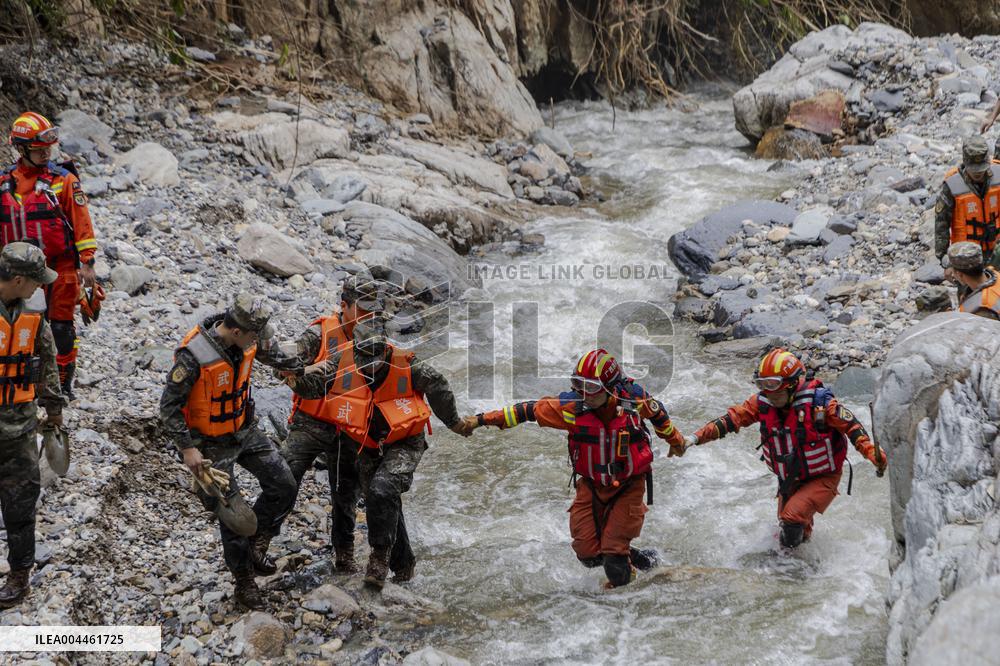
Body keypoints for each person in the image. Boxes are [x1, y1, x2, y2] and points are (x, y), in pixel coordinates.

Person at [460, 349, 687, 588]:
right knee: (588, 555)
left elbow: (658, 415)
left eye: (591, 387)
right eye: (578, 384)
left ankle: (625, 588)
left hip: (629, 485)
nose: (583, 393)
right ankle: (644, 560)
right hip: (592, 485)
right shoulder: (572, 407)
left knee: (614, 563)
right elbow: (525, 411)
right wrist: (480, 420)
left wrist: (676, 441)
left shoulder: (634, 399)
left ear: (610, 388)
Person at [159, 293, 329, 609]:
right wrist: (188, 450)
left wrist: (304, 370)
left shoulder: (248, 339)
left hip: (244, 430)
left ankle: (256, 543)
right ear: (236, 331)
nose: (258, 341)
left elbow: (274, 356)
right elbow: (168, 408)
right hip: (210, 445)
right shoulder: (192, 357)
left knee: (284, 484)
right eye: (254, 335)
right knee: (233, 516)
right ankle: (244, 581)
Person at [684, 348, 887, 548]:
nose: (770, 395)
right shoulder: (763, 402)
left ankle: (785, 564)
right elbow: (731, 419)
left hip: (823, 476)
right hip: (790, 478)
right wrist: (694, 438)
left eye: (775, 387)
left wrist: (869, 450)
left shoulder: (819, 404)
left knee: (792, 518)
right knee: (792, 527)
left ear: (792, 385)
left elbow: (851, 426)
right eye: (763, 385)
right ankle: (804, 562)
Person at [326, 313, 471, 589]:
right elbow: (316, 379)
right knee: (381, 499)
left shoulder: (410, 366)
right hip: (368, 444)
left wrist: (453, 422)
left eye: (374, 357)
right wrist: (294, 376)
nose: (369, 364)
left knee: (382, 489)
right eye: (363, 357)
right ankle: (404, 567)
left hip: (405, 442)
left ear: (386, 350)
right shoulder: (343, 362)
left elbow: (438, 385)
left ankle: (379, 558)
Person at [282, 273, 383, 573]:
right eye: (362, 309)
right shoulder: (318, 334)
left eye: (372, 310)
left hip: (348, 427)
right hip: (310, 422)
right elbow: (286, 362)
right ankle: (258, 543)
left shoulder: (374, 338)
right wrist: (297, 372)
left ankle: (344, 554)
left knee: (346, 493)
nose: (368, 316)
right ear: (344, 305)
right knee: (284, 480)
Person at [1, 112, 98, 400]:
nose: (46, 154)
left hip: (61, 266)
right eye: (38, 149)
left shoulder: (63, 181)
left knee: (61, 329)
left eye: (48, 149)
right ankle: (26, 382)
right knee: (18, 325)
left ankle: (62, 385)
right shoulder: (4, 183)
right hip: (17, 270)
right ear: (22, 149)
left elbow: (82, 223)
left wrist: (88, 263)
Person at [0, 243, 64, 607]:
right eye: (36, 280)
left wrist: (54, 410)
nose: (41, 287)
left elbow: (48, 360)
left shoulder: (34, 313)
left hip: (20, 428)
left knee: (21, 504)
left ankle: (20, 576)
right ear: (18, 279)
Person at [934, 136, 1000, 268]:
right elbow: (941, 223)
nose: (978, 173)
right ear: (965, 162)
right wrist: (944, 258)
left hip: (996, 250)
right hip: (965, 254)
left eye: (981, 168)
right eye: (974, 168)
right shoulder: (952, 186)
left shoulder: (998, 175)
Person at [947, 241, 1000, 319]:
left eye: (953, 272)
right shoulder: (995, 274)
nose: (952, 275)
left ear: (960, 275)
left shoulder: (982, 309)